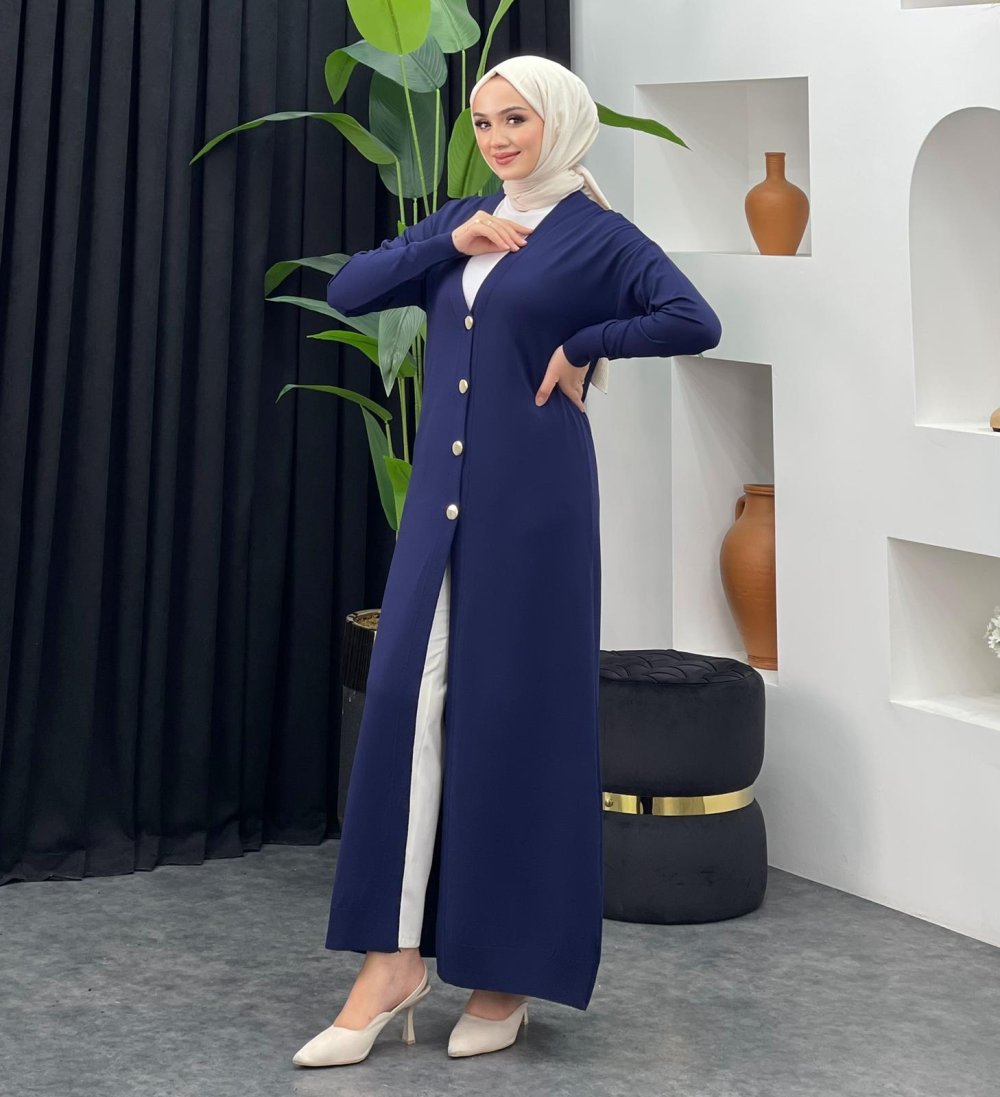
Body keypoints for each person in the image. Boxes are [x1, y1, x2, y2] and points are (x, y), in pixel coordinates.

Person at [292, 54, 722, 1069]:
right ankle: (392, 961)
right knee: (407, 701)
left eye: (516, 120)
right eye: (484, 122)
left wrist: (585, 347)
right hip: (440, 515)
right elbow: (352, 288)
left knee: (517, 719)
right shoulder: (466, 217)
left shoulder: (598, 234)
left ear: (559, 122)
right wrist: (450, 237)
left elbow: (692, 317)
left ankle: (505, 975)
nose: (497, 139)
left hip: (535, 510)